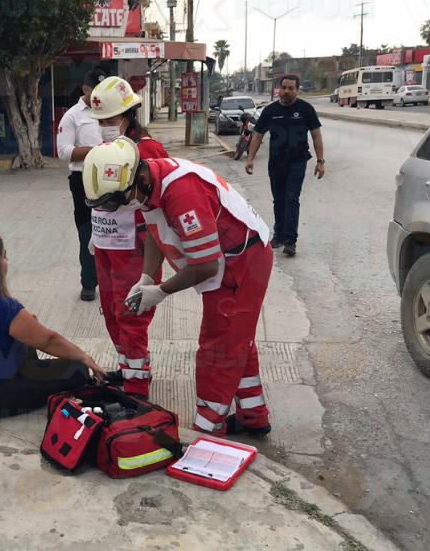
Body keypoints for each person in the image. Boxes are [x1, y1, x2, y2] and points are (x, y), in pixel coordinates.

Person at [83, 144, 274, 438]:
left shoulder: (182, 194)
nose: (116, 210)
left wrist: (160, 291)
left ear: (141, 179)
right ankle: (254, 416)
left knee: (218, 351)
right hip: (229, 257)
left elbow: (206, 265)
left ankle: (208, 432)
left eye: (116, 202)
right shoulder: (147, 184)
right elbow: (155, 234)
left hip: (242, 263)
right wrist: (146, 277)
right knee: (237, 340)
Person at [0, 232, 106, 418]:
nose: (7, 260)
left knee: (22, 337)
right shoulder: (3, 307)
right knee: (77, 370)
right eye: (4, 255)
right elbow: (49, 340)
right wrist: (84, 356)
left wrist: (25, 324)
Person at [86, 76, 169, 399]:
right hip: (107, 245)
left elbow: (160, 203)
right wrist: (96, 232)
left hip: (135, 249)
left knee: (131, 314)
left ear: (128, 115)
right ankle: (129, 368)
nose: (104, 126)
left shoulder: (147, 150)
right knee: (111, 311)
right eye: (100, 121)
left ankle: (136, 387)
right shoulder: (107, 148)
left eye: (109, 120)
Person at [245, 74, 325, 257]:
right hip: (276, 162)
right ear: (279, 89)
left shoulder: (306, 109)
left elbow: (316, 136)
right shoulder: (270, 111)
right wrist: (250, 159)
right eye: (284, 88)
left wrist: (320, 161)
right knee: (278, 200)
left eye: (291, 88)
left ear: (297, 90)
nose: (287, 92)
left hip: (297, 161)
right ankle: (279, 235)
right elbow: (257, 135)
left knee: (291, 199)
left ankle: (290, 240)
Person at [57, 68, 107, 301]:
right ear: (85, 89)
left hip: (111, 178)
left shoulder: (111, 111)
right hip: (84, 179)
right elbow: (64, 152)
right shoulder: (73, 116)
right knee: (87, 231)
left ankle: (112, 281)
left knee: (113, 230)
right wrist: (96, 151)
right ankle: (89, 282)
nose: (101, 94)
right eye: (96, 89)